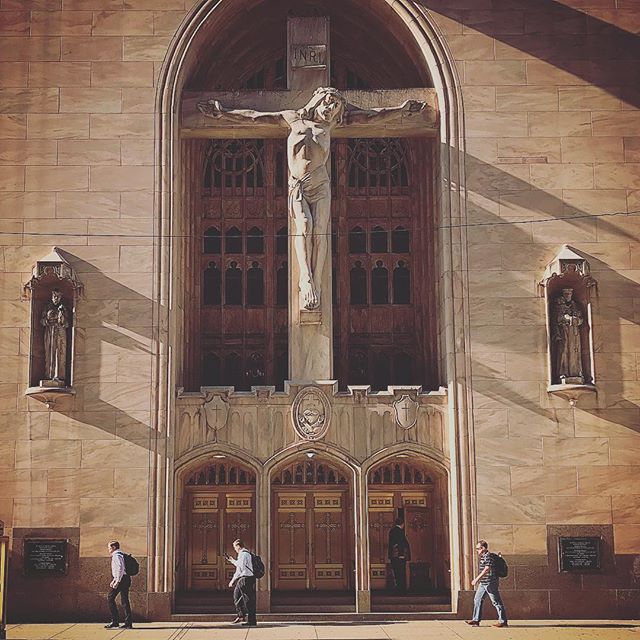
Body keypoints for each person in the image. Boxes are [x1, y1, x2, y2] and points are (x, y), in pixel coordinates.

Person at [198, 88, 425, 312]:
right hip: (298, 185)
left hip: (320, 186)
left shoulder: (330, 126)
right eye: (328, 102)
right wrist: (223, 113)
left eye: (335, 106)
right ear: (317, 101)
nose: (330, 109)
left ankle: (316, 281)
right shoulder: (291, 118)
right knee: (304, 227)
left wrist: (400, 110)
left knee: (320, 231)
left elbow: (370, 117)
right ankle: (305, 277)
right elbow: (254, 117)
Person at [466, 540, 508, 628]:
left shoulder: (488, 556)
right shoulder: (483, 557)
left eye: (478, 548)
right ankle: (476, 620)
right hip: (483, 583)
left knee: (496, 601)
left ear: (483, 548)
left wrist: (476, 579)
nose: (477, 550)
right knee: (477, 599)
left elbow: (487, 569)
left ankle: (503, 621)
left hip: (490, 582)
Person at [225, 538, 256, 627]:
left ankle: (250, 620)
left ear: (238, 546)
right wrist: (232, 561)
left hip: (245, 579)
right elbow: (241, 566)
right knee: (238, 596)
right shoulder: (246, 553)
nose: (234, 549)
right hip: (248, 578)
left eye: (235, 547)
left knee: (247, 600)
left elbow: (240, 569)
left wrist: (232, 580)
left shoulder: (243, 554)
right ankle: (242, 616)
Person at [41, 289, 69, 383]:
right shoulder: (47, 308)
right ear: (52, 297)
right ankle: (49, 374)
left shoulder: (63, 308)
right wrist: (48, 318)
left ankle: (58, 375)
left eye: (58, 297)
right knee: (49, 352)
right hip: (50, 331)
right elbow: (42, 321)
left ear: (60, 298)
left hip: (59, 331)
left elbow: (66, 323)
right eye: (54, 296)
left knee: (59, 351)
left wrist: (62, 316)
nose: (56, 298)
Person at [104, 540, 133, 629]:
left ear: (114, 547)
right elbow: (119, 570)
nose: (108, 549)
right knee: (124, 600)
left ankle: (115, 621)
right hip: (125, 579)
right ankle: (128, 623)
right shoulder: (121, 554)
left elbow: (120, 568)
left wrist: (117, 581)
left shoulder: (116, 555)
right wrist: (114, 580)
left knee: (110, 598)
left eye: (109, 547)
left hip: (122, 580)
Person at [388, 517, 411, 594]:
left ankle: (398, 587)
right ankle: (401, 589)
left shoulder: (392, 531)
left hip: (393, 555)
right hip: (399, 555)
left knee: (396, 571)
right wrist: (401, 554)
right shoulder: (399, 531)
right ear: (403, 524)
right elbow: (400, 543)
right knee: (401, 572)